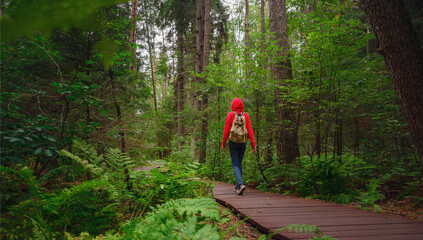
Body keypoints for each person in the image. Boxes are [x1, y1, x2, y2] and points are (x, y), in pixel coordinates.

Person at [222, 98, 256, 195]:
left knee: (235, 164)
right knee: (239, 163)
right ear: (241, 105)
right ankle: (238, 187)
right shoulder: (246, 115)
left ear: (233, 105)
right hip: (243, 142)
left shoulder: (230, 115)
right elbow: (250, 131)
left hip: (233, 142)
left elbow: (226, 131)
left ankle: (240, 184)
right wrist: (253, 144)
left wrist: (223, 143)